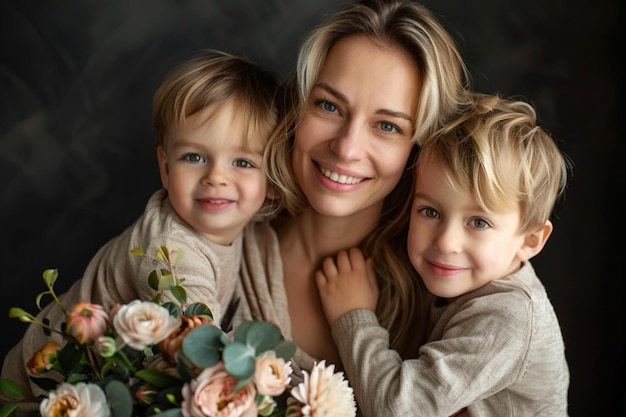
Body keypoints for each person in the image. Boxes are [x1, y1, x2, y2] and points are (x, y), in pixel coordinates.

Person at [1, 49, 283, 402]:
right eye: (194, 157)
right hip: (37, 394)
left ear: (273, 178)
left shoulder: (246, 225)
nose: (216, 177)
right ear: (165, 168)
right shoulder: (168, 252)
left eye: (242, 161)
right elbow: (202, 349)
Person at [235, 0, 471, 388]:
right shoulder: (217, 247)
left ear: (421, 147)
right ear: (299, 107)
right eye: (329, 105)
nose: (346, 148)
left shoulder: (445, 296)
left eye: (388, 126)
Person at [315, 92, 571, 416]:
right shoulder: (472, 283)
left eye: (479, 222)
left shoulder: (509, 317)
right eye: (430, 212)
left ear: (530, 241)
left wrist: (352, 316)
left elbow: (399, 410)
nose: (446, 242)